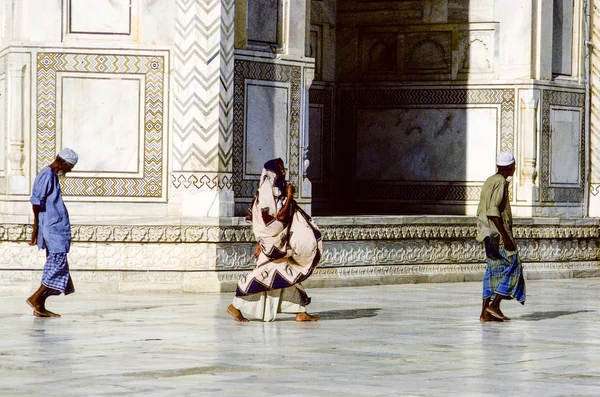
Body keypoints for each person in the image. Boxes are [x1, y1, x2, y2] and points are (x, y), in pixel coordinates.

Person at [227, 158, 322, 322]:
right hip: (274, 245)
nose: (284, 172)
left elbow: (264, 222)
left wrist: (260, 243)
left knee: (286, 274)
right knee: (267, 275)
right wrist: (291, 195)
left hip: (275, 243)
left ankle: (300, 311)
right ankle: (235, 305)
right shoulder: (270, 192)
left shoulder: (270, 190)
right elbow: (278, 219)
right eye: (281, 169)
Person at [26, 148, 78, 318]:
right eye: (69, 167)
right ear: (62, 163)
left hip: (56, 228)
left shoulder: (52, 176)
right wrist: (36, 228)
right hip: (52, 228)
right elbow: (36, 203)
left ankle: (40, 305)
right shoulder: (47, 174)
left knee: (60, 267)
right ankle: (35, 298)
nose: (69, 170)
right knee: (57, 264)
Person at [476, 151, 526, 322]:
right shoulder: (501, 182)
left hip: (487, 233)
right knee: (514, 265)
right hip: (498, 235)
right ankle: (495, 305)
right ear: (511, 166)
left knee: (493, 270)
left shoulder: (490, 180)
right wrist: (506, 237)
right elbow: (493, 212)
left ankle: (485, 313)